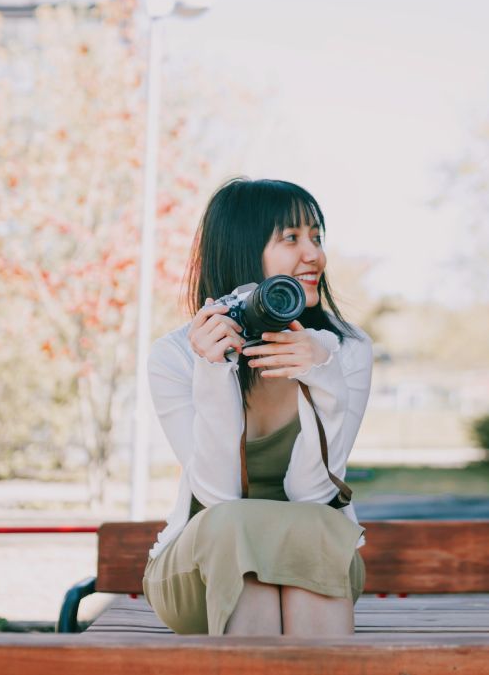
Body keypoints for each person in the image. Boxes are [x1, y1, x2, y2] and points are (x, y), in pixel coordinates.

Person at [142, 178, 374, 636]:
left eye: (317, 237)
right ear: (243, 250)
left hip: (312, 561)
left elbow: (312, 495)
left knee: (311, 525)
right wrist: (213, 371)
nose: (314, 255)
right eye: (291, 238)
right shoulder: (176, 356)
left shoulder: (344, 349)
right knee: (233, 524)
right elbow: (216, 496)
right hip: (201, 572)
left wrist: (321, 374)